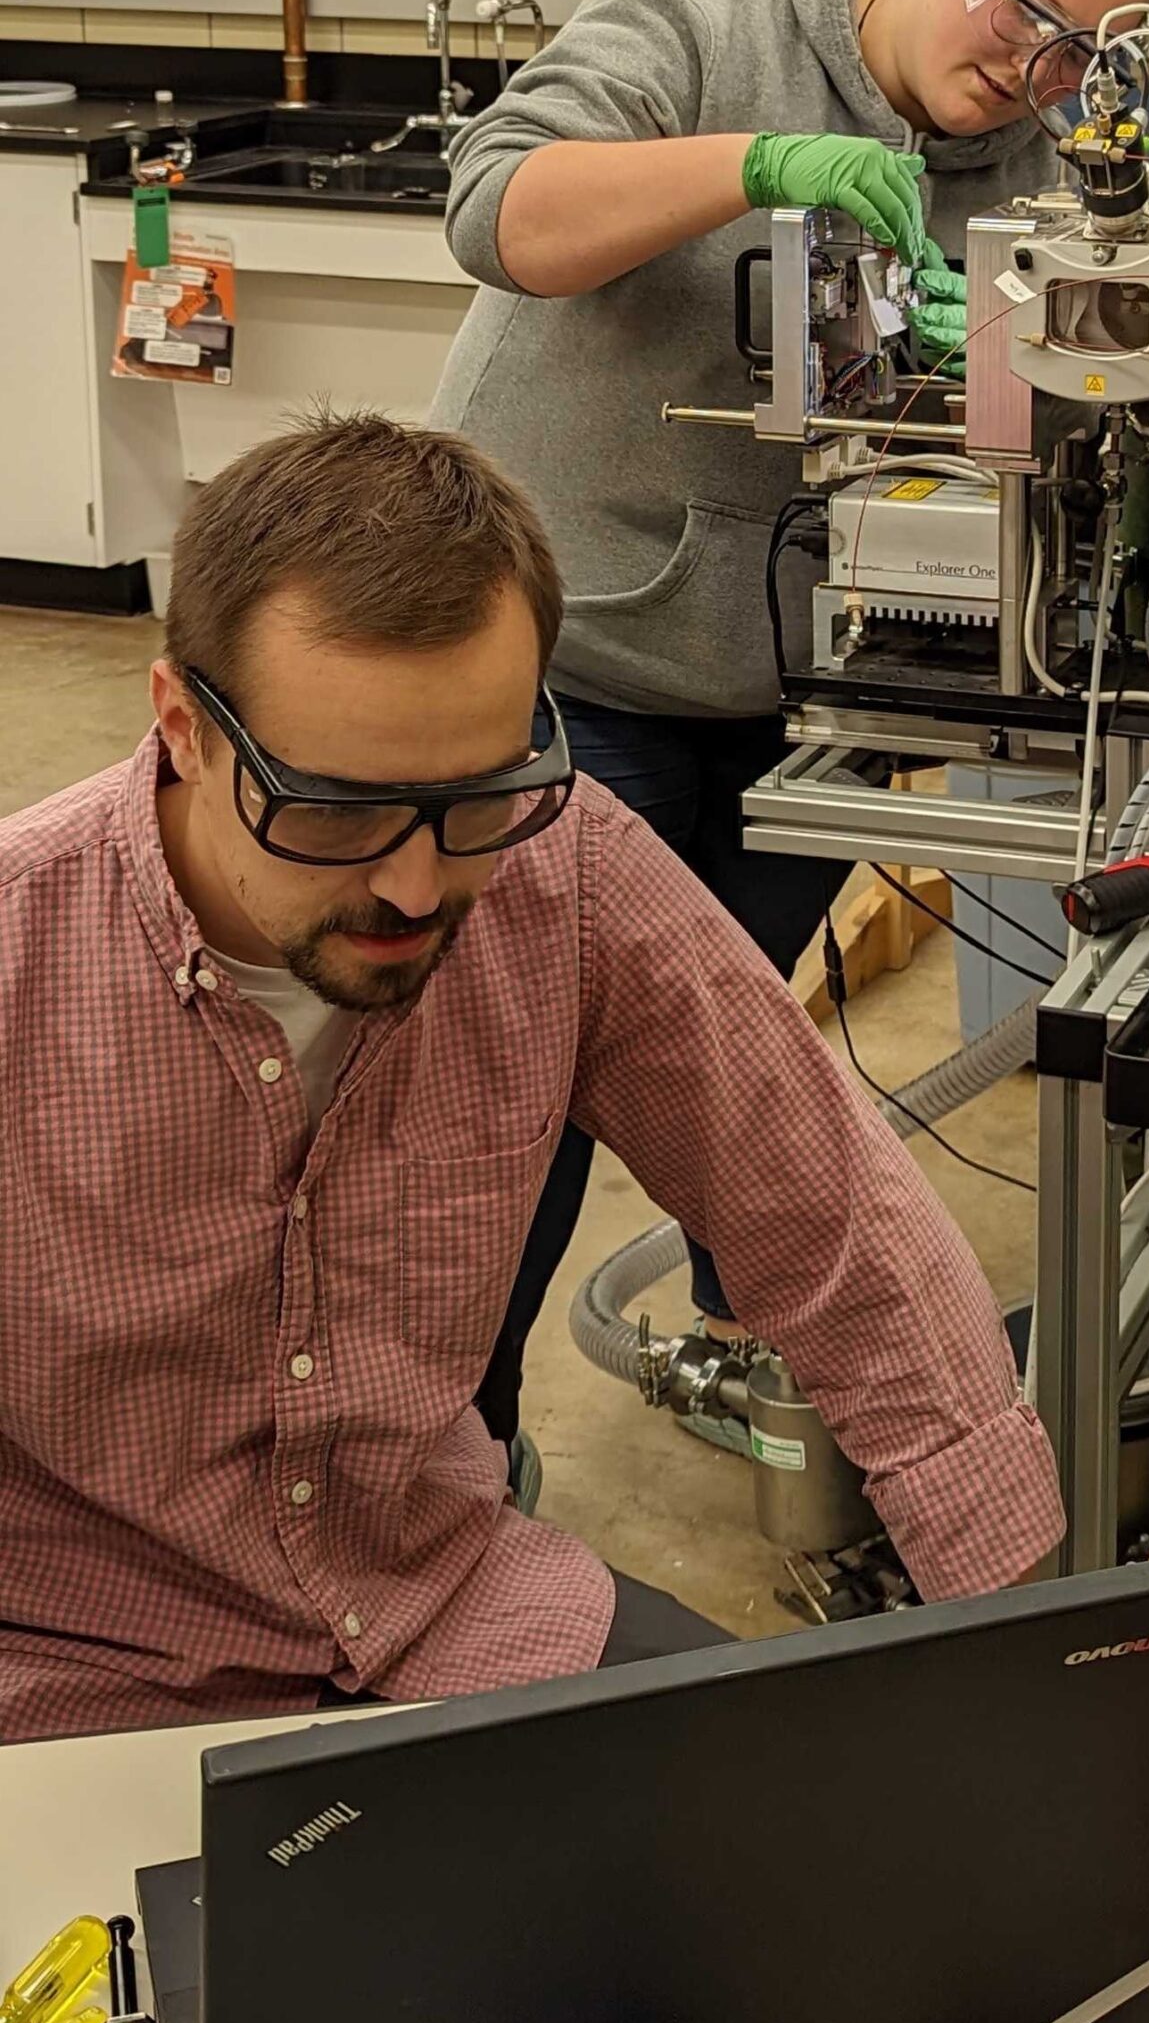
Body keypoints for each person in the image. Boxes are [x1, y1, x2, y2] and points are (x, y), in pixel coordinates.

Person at [0, 414, 1064, 1743]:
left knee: (813, 1849)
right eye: (334, 807)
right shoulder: (19, 954)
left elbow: (833, 1216)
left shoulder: (565, 875)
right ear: (184, 726)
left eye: (475, 798)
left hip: (447, 1603)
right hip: (82, 1676)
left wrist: (1033, 1659)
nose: (412, 883)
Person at [431, 0, 1149, 1424]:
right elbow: (498, 214)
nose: (1046, 75)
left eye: (1086, 61)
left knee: (719, 1051)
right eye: (1031, 17)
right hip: (573, 663)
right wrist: (759, 166)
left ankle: (751, 1337)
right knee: (522, 1090)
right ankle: (449, 1465)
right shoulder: (705, 31)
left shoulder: (1031, 165)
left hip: (812, 688)